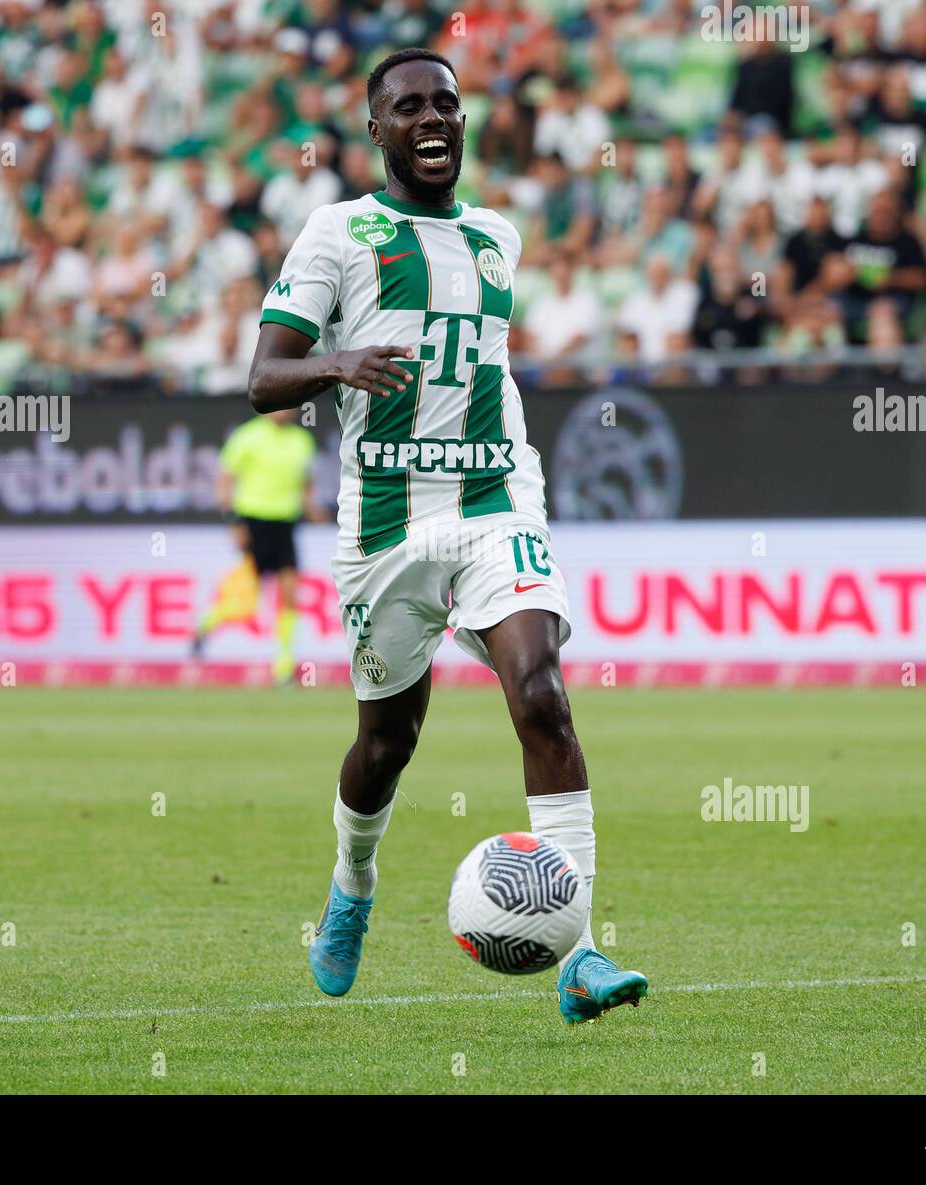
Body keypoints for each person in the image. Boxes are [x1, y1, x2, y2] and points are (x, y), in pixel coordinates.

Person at [248, 48, 648, 1024]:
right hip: (385, 526)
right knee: (387, 744)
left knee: (542, 695)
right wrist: (338, 363)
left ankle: (581, 954)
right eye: (408, 107)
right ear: (375, 129)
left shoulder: (495, 236)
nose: (431, 118)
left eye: (447, 104)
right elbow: (264, 381)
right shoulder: (339, 232)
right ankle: (352, 886)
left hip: (492, 501)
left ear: (464, 123)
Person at [191, 407, 316, 684]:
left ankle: (284, 667)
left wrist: (314, 510)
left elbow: (306, 485)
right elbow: (225, 480)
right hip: (254, 523)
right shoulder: (247, 436)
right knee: (247, 603)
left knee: (290, 593)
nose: (287, 410)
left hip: (285, 524)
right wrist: (233, 521)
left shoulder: (302, 441)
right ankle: (206, 623)